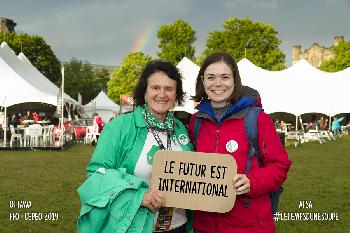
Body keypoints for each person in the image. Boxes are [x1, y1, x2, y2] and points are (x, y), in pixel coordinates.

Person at [77, 60, 193, 233]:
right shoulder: (119, 126)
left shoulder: (180, 128)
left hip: (178, 226)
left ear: (176, 95)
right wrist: (140, 197)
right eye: (155, 88)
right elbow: (96, 174)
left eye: (168, 89)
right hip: (134, 226)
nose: (162, 94)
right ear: (144, 92)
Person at [187, 52, 291, 233]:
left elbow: (280, 166)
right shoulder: (196, 122)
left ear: (235, 80)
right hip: (204, 226)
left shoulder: (257, 119)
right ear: (202, 81)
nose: (218, 84)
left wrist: (253, 181)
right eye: (211, 77)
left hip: (248, 225)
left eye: (225, 77)